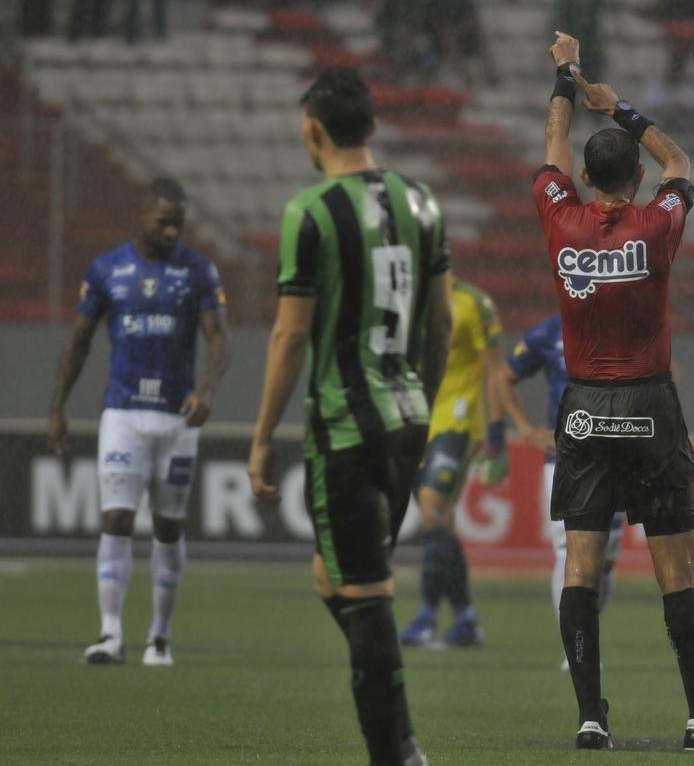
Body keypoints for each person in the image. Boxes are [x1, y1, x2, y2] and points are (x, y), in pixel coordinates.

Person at [533, 31, 694, 753]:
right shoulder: (658, 225)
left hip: (588, 406)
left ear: (588, 181)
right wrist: (617, 104)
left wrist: (566, 73)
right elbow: (679, 162)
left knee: (581, 566)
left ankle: (591, 715)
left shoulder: (560, 220)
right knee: (677, 570)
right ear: (631, 179)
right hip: (651, 406)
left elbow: (554, 135)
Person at [247, 66, 452, 766]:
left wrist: (261, 437)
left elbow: (289, 336)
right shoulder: (421, 200)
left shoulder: (310, 211)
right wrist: (422, 398)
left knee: (365, 596)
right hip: (408, 419)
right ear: (373, 125)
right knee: (334, 577)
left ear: (312, 129)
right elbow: (443, 320)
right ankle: (402, 740)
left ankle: (395, 752)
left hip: (344, 429)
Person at [47, 177, 230, 667]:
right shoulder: (107, 270)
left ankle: (160, 638)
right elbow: (79, 340)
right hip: (123, 413)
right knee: (117, 520)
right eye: (164, 221)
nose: (173, 232)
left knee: (168, 528)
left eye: (180, 224)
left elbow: (219, 341)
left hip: (177, 419)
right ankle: (110, 634)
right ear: (143, 215)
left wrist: (206, 389)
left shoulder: (198, 272)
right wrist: (58, 408)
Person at [491, 315, 625, 668]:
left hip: (616, 456)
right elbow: (503, 377)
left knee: (605, 561)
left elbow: (667, 373)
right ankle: (575, 644)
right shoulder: (547, 334)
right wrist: (525, 429)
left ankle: (586, 631)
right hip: (563, 457)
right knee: (567, 548)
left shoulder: (625, 327)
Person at [399, 273, 509, 648]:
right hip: (418, 422)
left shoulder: (473, 302)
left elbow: (495, 370)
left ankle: (427, 617)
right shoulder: (406, 299)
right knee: (440, 522)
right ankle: (465, 620)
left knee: (431, 509)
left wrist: (497, 435)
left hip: (460, 422)